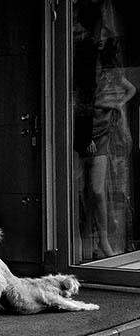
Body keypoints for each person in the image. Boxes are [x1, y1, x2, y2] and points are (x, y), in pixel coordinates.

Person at [76, 37, 135, 258]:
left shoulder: (112, 75)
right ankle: (86, 239)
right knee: (82, 191)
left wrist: (119, 103)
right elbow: (82, 105)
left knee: (97, 190)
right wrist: (112, 104)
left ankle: (102, 239)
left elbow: (131, 89)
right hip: (84, 135)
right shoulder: (85, 77)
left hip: (101, 136)